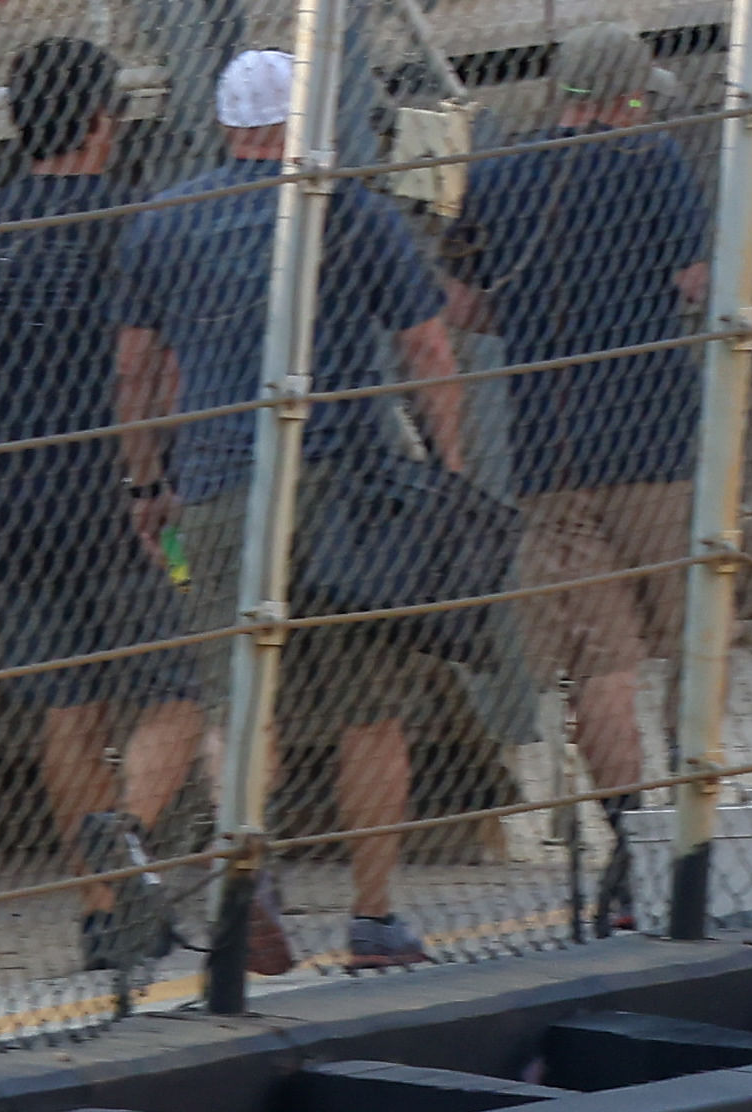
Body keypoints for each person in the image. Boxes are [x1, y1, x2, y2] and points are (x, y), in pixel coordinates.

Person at [112, 47, 468, 972]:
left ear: (227, 123)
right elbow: (428, 346)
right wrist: (450, 469)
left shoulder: (166, 219)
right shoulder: (349, 209)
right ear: (300, 122)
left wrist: (148, 482)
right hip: (347, 479)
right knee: (371, 709)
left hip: (223, 482)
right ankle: (373, 919)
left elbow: (136, 368)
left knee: (238, 704)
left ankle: (247, 877)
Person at [0, 36, 204, 975]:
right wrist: (153, 476)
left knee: (66, 701)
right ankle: (124, 837)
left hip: (11, 498)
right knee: (183, 684)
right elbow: (149, 364)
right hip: (128, 501)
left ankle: (99, 915)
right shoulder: (140, 221)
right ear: (97, 122)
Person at [447, 21, 706, 930]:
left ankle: (628, 837)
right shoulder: (653, 164)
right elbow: (695, 280)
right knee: (690, 646)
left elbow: (467, 305)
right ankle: (694, 836)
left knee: (604, 668)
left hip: (553, 456)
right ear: (630, 98)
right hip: (658, 448)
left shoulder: (499, 175)